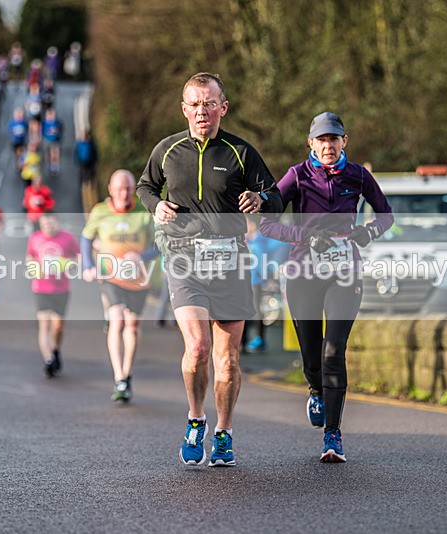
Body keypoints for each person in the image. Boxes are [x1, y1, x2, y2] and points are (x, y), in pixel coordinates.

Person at [136, 72, 282, 466]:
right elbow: (145, 187)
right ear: (184, 109)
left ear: (223, 107)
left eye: (209, 103)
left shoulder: (240, 152)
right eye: (195, 104)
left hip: (231, 260)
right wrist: (157, 206)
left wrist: (258, 197)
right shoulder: (167, 150)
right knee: (197, 347)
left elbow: (277, 196)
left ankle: (224, 432)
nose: (202, 111)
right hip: (185, 258)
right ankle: (196, 419)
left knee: (227, 358)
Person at [259, 112, 394, 462]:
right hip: (303, 273)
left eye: (334, 139)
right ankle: (316, 389)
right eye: (321, 140)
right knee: (311, 355)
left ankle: (332, 435)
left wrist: (368, 233)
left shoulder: (359, 176)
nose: (328, 145)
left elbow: (386, 215)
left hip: (344, 274)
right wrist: (305, 235)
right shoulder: (297, 176)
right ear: (311, 144)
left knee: (333, 351)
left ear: (344, 141)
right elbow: (267, 224)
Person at [82, 170, 157, 402]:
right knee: (117, 320)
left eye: (128, 189)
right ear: (111, 190)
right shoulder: (100, 211)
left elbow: (160, 245)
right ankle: (118, 377)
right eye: (120, 189)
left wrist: (142, 256)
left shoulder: (144, 213)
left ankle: (128, 373)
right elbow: (86, 237)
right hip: (110, 275)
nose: (124, 193)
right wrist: (87, 265)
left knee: (132, 327)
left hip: (138, 278)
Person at [26, 214, 80, 377]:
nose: (48, 227)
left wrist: (65, 264)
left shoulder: (67, 238)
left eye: (51, 223)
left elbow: (77, 258)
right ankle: (48, 359)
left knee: (58, 326)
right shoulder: (35, 238)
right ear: (41, 225)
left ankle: (55, 350)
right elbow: (29, 256)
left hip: (61, 288)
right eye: (44, 224)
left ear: (57, 223)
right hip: (40, 287)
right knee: (44, 324)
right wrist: (32, 266)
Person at [241, 216, 289, 353]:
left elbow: (262, 259)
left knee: (256, 310)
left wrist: (265, 276)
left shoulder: (258, 240)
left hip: (255, 281)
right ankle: (243, 342)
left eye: (247, 224)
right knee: (243, 311)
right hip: (243, 281)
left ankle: (259, 340)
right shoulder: (246, 240)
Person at [75, 130, 98, 212]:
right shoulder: (81, 144)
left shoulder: (90, 144)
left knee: (89, 175)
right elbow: (77, 153)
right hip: (83, 163)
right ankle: (84, 185)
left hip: (89, 163)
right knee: (83, 175)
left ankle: (89, 185)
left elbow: (94, 153)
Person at [42, 107, 63, 175]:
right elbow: (42, 131)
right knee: (48, 153)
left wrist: (59, 137)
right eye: (49, 116)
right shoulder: (44, 123)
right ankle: (49, 164)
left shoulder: (57, 122)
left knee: (55, 153)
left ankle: (55, 165)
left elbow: (60, 129)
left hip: (55, 140)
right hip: (47, 140)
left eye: (52, 115)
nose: (50, 117)